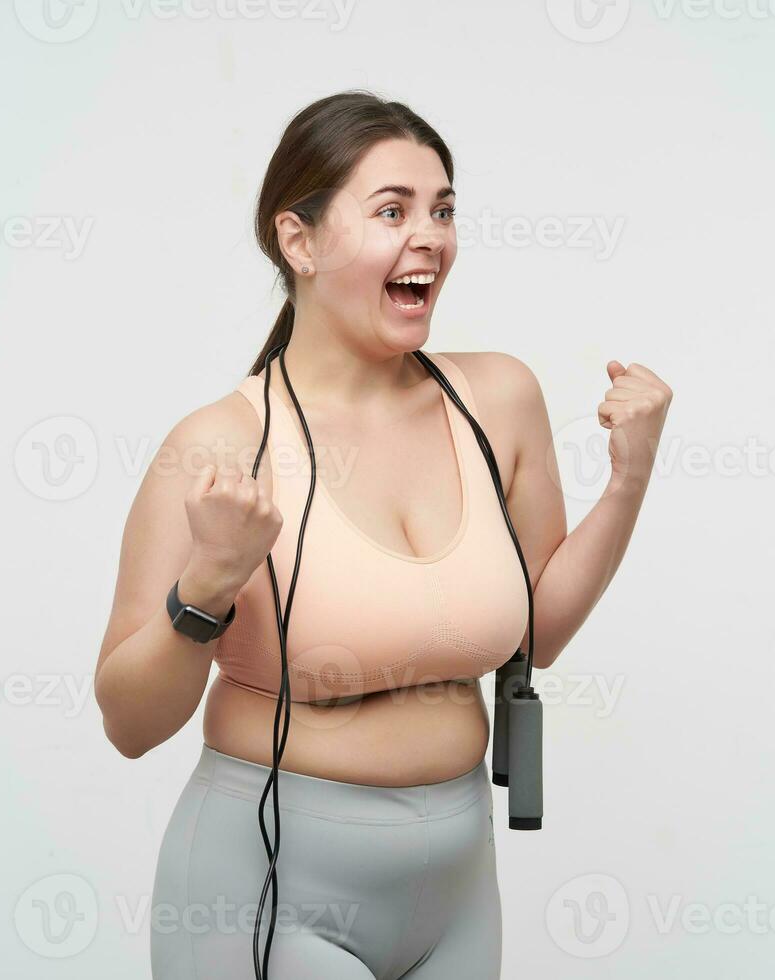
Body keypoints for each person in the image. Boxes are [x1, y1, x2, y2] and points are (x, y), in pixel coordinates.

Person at [93, 90, 672, 979]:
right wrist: (207, 585)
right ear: (301, 241)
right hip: (270, 886)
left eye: (443, 209)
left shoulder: (497, 401)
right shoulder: (218, 445)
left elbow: (538, 635)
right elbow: (128, 722)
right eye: (392, 210)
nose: (431, 236)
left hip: (458, 886)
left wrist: (628, 482)